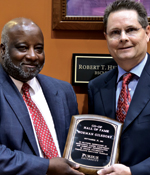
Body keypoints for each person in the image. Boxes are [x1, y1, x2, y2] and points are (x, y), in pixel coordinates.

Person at [0, 17, 84, 175]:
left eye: (38, 48)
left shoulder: (63, 90)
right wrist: (47, 166)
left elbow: (76, 144)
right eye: (23, 48)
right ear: (3, 49)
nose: (33, 56)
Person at [88, 0, 150, 175]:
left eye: (131, 30)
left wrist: (133, 172)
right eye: (115, 32)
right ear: (106, 38)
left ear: (147, 32)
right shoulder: (97, 86)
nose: (123, 38)